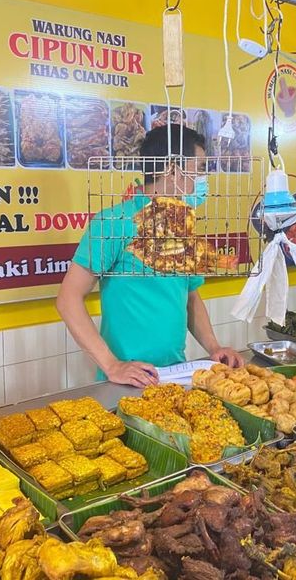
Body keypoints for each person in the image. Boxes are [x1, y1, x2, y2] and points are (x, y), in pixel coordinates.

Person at [56, 124, 244, 388]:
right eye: (199, 169)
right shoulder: (115, 222)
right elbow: (68, 299)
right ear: (172, 169)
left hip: (178, 375)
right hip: (127, 382)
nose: (202, 179)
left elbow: (190, 296)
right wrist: (112, 365)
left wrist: (214, 347)